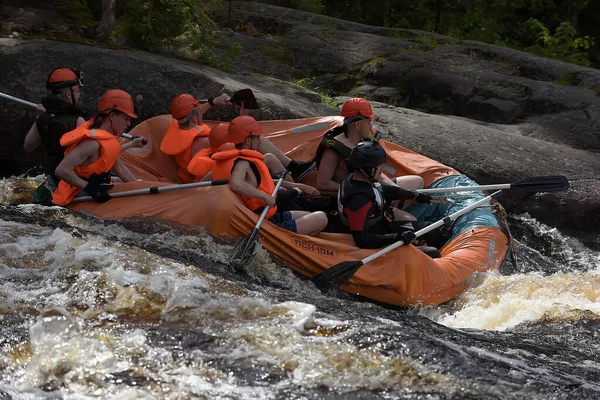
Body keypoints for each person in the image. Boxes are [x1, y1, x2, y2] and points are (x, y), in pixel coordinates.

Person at [24, 68, 144, 204]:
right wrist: (91, 189)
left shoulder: (43, 118)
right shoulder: (79, 122)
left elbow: (28, 146)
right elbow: (96, 150)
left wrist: (39, 118)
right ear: (69, 95)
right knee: (113, 178)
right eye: (78, 90)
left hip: (54, 179)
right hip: (73, 182)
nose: (80, 94)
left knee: (118, 179)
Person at [211, 115, 327, 236]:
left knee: (306, 214)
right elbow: (236, 183)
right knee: (322, 218)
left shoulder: (224, 162)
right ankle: (285, 245)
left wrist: (299, 186)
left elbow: (261, 182)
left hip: (265, 217)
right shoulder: (243, 162)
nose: (260, 141)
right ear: (248, 140)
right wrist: (265, 197)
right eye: (257, 138)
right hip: (262, 224)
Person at [338, 141, 444, 257]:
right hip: (379, 240)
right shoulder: (359, 202)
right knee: (433, 253)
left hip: (384, 226)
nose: (381, 172)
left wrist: (415, 195)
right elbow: (362, 240)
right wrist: (397, 237)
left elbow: (384, 190)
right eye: (379, 168)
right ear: (369, 170)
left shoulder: (357, 179)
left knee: (434, 233)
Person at [314, 98, 424, 198]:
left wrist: (399, 191)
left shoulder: (364, 142)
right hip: (355, 198)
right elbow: (322, 183)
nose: (371, 126)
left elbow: (379, 175)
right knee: (409, 217)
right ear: (357, 125)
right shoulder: (333, 149)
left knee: (417, 182)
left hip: (373, 188)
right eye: (369, 122)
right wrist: (363, 190)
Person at [52, 89, 140, 206]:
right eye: (126, 119)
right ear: (112, 116)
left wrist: (136, 186)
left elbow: (119, 167)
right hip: (79, 192)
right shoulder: (92, 143)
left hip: (100, 184)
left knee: (124, 183)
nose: (129, 124)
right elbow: (61, 170)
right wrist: (91, 189)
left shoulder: (110, 139)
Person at [160, 92, 231, 183]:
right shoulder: (205, 141)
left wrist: (213, 102)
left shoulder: (175, 126)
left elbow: (189, 113)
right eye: (199, 113)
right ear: (194, 118)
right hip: (200, 181)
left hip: (184, 175)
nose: (201, 114)